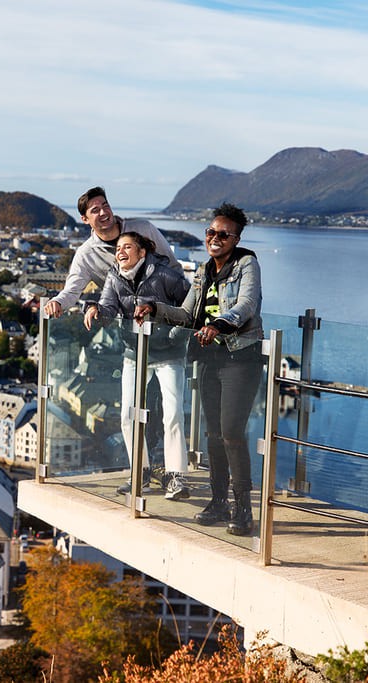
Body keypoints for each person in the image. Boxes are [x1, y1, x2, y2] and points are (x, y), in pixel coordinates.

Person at [136, 203, 263, 535]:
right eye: (211, 232)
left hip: (241, 358)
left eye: (224, 234)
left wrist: (220, 324)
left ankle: (243, 508)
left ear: (236, 238)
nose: (215, 238)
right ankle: (219, 501)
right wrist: (154, 309)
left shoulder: (247, 263)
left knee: (233, 433)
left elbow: (246, 304)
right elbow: (187, 314)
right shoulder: (204, 271)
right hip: (210, 360)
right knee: (213, 435)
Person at [84, 232, 191, 499]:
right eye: (118, 248)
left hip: (169, 352)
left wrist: (174, 335)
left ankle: (176, 476)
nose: (120, 252)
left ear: (142, 252)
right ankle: (140, 473)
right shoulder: (114, 276)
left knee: (173, 414)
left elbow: (191, 309)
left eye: (127, 247)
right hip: (136, 351)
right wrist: (94, 308)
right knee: (128, 415)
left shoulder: (166, 275)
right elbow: (109, 308)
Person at [43, 186, 180, 319]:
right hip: (128, 328)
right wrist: (57, 302)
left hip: (165, 320)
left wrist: (180, 315)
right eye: (95, 210)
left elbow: (174, 267)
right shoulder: (86, 254)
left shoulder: (144, 229)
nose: (103, 212)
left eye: (105, 205)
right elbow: (72, 291)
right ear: (85, 219)